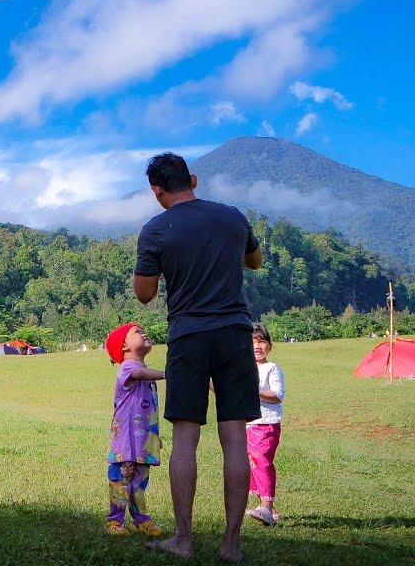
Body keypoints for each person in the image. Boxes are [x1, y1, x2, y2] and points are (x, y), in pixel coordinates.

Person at [133, 152, 263, 563]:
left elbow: (144, 293)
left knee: (185, 439)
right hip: (235, 334)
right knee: (235, 440)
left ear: (157, 191)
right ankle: (231, 545)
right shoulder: (232, 217)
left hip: (189, 337)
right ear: (193, 178)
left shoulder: (155, 229)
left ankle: (184, 541)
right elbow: (254, 261)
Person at [104, 322, 166, 537]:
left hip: (143, 441)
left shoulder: (144, 372)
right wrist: (168, 373)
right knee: (121, 482)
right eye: (137, 332)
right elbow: (141, 373)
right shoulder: (128, 368)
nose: (144, 332)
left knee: (139, 484)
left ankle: (141, 519)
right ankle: (115, 520)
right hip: (125, 441)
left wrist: (155, 437)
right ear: (124, 347)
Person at [246, 324, 285, 526]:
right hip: (248, 424)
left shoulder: (272, 368)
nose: (257, 346)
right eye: (252, 342)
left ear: (269, 345)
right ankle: (271, 509)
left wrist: (255, 391)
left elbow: (277, 396)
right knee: (253, 465)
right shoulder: (245, 368)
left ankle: (267, 510)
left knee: (262, 463)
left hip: (266, 424)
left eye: (261, 341)